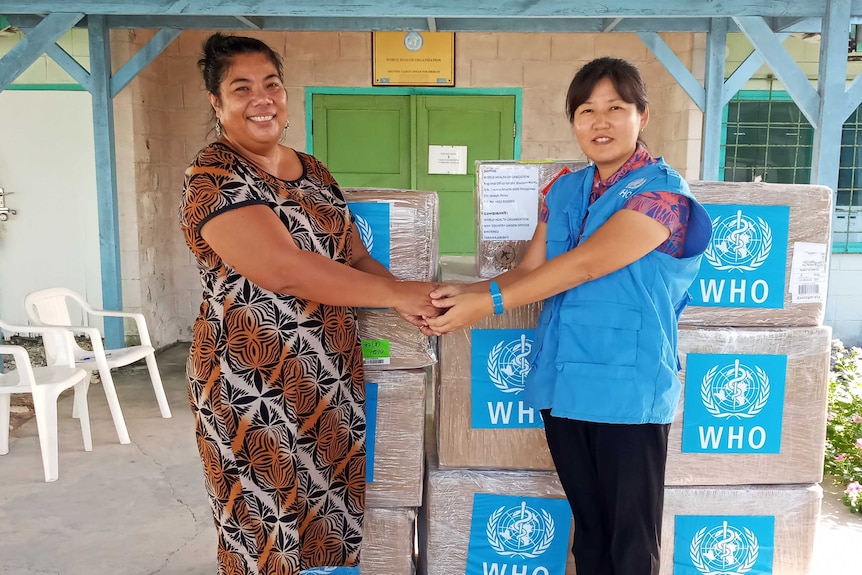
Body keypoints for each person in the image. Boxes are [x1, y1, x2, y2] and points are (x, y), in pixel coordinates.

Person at [426, 57, 712, 575]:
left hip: (628, 391)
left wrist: (484, 302)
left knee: (631, 544)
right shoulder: (564, 190)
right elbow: (531, 269)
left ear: (642, 116)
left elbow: (581, 266)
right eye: (586, 111)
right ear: (573, 120)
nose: (599, 122)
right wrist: (461, 295)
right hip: (565, 385)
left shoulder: (662, 197)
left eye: (615, 109)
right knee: (591, 533)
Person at [179, 33, 437, 575]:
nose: (262, 98)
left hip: (328, 379)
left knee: (328, 524)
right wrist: (394, 293)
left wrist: (412, 303)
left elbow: (354, 256)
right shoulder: (214, 176)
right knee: (266, 531)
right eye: (241, 87)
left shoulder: (314, 171)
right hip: (251, 388)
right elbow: (285, 270)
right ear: (216, 102)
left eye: (271, 84)